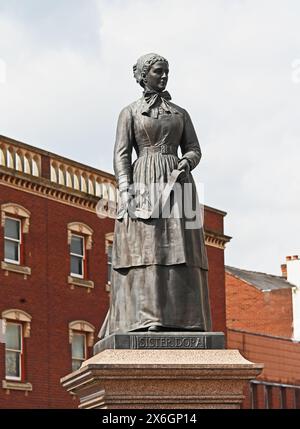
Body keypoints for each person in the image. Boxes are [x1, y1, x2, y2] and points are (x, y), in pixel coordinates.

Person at [99, 53, 211, 338]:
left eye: (166, 72)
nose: (163, 77)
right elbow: (121, 154)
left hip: (178, 181)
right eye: (158, 72)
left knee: (180, 247)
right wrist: (125, 190)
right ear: (143, 76)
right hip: (144, 179)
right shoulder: (130, 112)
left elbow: (194, 148)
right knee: (147, 247)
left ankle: (185, 318)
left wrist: (187, 160)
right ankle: (147, 316)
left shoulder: (180, 113)